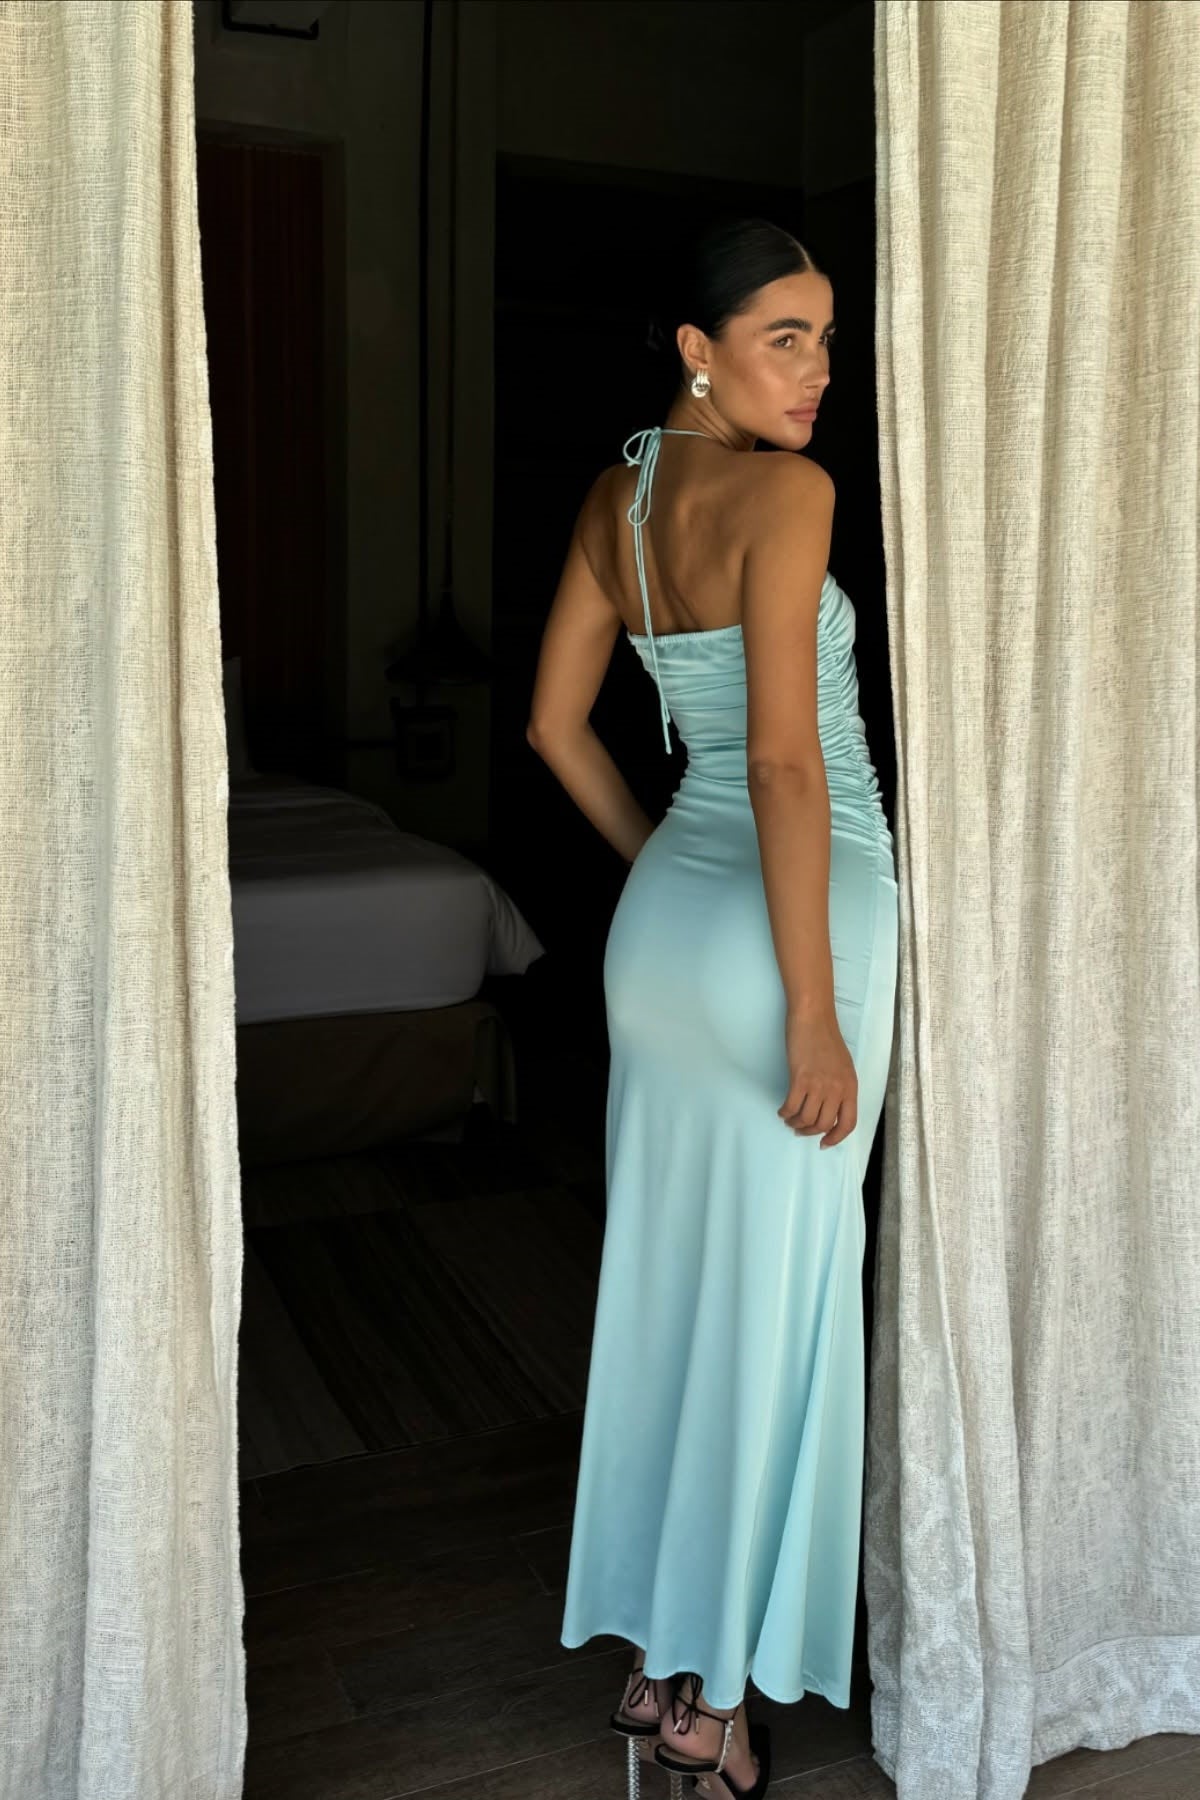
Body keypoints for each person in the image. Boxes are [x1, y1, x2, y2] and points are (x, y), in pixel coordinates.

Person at [525, 216, 898, 1800]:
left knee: (676, 1301)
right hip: (800, 936)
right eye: (784, 337)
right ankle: (713, 1706)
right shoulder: (792, 497)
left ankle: (655, 1662)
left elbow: (556, 729)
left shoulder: (615, 504)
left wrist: (667, 873)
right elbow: (791, 766)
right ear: (699, 350)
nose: (819, 373)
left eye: (827, 339)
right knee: (772, 1314)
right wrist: (812, 1011)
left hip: (668, 936)